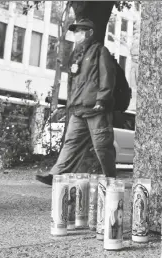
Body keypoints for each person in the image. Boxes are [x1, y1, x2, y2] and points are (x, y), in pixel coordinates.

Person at [36, 19, 117, 186]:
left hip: (96, 108)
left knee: (102, 146)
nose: (77, 34)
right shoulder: (76, 55)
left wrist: (102, 99)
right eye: (76, 31)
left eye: (81, 30)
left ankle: (110, 179)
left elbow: (107, 76)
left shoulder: (100, 51)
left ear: (90, 33)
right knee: (71, 142)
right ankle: (56, 175)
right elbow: (73, 84)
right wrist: (71, 104)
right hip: (78, 108)